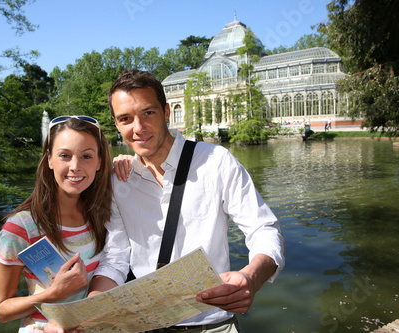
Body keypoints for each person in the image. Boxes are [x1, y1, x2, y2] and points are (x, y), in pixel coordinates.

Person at [47, 69, 285, 333]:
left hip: (213, 322)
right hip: (146, 325)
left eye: (148, 113)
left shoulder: (215, 162)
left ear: (167, 112)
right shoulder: (117, 182)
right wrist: (90, 312)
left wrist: (252, 276)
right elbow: (116, 259)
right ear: (116, 124)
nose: (138, 128)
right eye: (125, 119)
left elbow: (263, 228)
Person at [0, 115, 112, 332]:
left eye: (86, 156)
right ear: (49, 159)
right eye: (65, 155)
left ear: (99, 162)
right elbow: (0, 311)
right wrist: (54, 294)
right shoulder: (22, 226)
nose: (75, 167)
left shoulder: (102, 215)